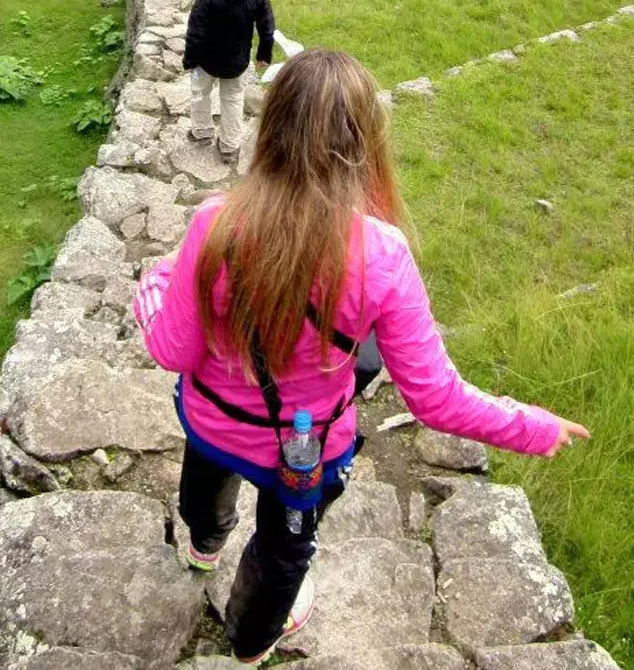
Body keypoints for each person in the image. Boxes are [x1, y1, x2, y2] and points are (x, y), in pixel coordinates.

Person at [133, 49, 590, 666]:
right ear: (363, 145)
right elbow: (435, 398)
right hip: (303, 450)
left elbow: (172, 349)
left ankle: (204, 545)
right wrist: (531, 427)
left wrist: (157, 281)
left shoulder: (215, 224)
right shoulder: (382, 254)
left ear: (272, 127)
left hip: (213, 424)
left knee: (204, 489)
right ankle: (250, 642)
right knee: (284, 553)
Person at [182, 0, 274, 160]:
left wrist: (190, 59)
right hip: (237, 60)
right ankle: (229, 146)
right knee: (233, 99)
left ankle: (202, 132)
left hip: (206, 58)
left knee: (200, 93)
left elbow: (195, 30)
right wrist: (264, 54)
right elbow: (267, 28)